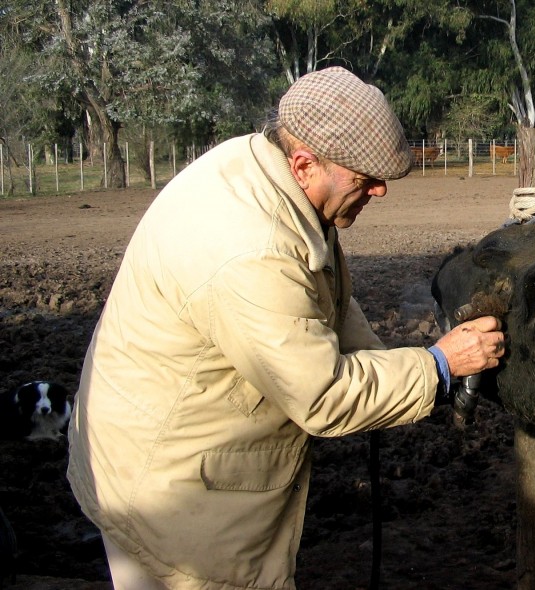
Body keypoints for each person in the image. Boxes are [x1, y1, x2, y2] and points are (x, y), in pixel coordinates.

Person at [67, 66, 505, 590]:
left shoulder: (259, 170)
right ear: (304, 164)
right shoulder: (252, 249)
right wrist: (439, 366)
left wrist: (391, 369)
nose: (380, 190)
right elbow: (321, 396)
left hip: (163, 445)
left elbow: (319, 304)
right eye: (364, 178)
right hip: (173, 495)